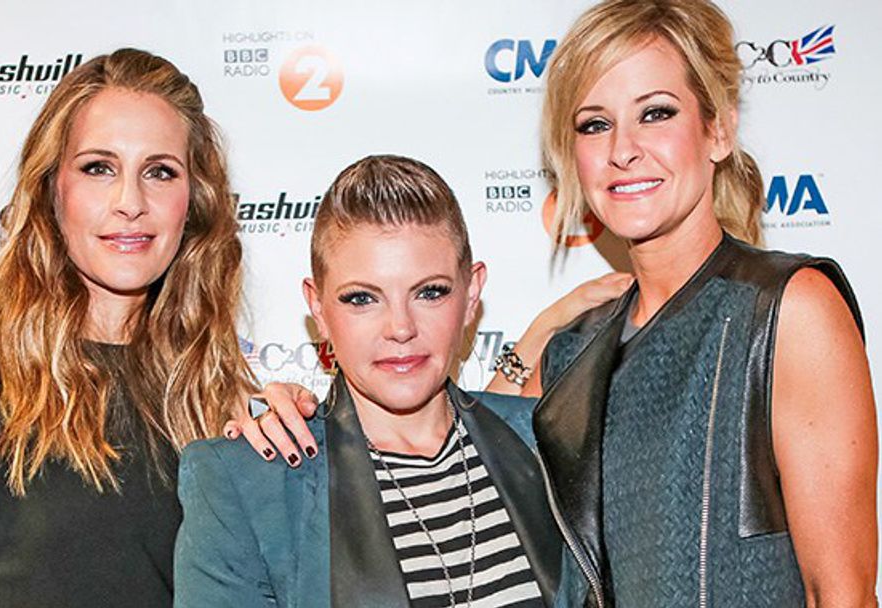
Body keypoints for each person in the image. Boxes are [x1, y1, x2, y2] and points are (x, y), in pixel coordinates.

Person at [529, 0, 876, 606]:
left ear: (718, 131)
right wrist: (541, 331)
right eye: (594, 124)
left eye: (655, 113)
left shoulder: (787, 310)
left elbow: (841, 591)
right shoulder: (572, 353)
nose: (622, 149)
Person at [0, 48, 257, 607]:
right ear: (51, 189)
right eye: (98, 168)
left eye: (160, 172)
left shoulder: (215, 395)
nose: (130, 203)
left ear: (194, 202)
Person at [175, 155, 572, 607]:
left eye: (430, 292)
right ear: (319, 308)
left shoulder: (552, 442)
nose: (400, 328)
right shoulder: (248, 484)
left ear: (471, 292)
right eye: (362, 298)